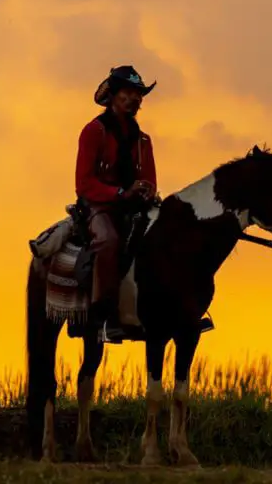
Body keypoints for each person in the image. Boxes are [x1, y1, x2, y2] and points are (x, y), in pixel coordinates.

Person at [75, 65, 157, 343]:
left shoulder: (143, 141)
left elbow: (150, 179)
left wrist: (146, 192)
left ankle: (165, 312)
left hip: (133, 205)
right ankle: (103, 317)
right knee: (109, 241)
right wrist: (121, 192)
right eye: (128, 92)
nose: (135, 99)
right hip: (100, 205)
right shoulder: (93, 132)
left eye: (138, 94)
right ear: (113, 95)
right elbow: (84, 183)